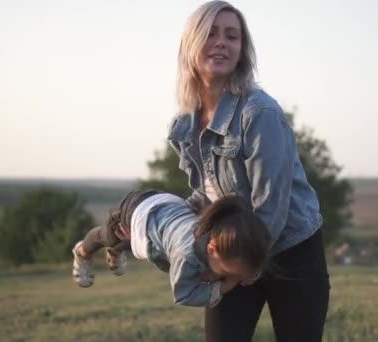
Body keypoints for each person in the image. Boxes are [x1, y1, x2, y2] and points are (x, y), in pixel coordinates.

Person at [169, 1, 330, 340]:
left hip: (291, 250)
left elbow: (270, 210)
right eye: (210, 33)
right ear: (190, 44)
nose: (221, 42)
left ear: (242, 50)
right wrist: (157, 221)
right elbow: (205, 194)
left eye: (232, 36)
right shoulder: (184, 123)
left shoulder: (259, 113)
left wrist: (229, 274)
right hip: (232, 247)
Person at [71, 190, 271, 307]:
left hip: (164, 209)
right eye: (228, 273)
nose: (233, 278)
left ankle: (118, 248)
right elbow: (183, 294)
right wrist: (227, 284)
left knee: (134, 242)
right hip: (135, 211)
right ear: (212, 249)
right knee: (108, 237)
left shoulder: (222, 232)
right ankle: (82, 252)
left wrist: (248, 271)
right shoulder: (186, 256)